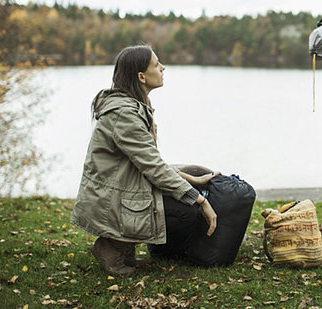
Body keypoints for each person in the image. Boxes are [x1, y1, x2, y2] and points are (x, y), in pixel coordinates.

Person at [71, 45, 218, 276]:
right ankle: (111, 248)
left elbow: (148, 161)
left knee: (196, 172)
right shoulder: (125, 114)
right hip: (112, 199)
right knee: (187, 211)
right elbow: (153, 167)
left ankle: (124, 248)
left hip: (123, 190)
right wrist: (200, 201)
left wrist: (191, 177)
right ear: (141, 76)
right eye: (157, 64)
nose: (163, 68)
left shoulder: (134, 106)